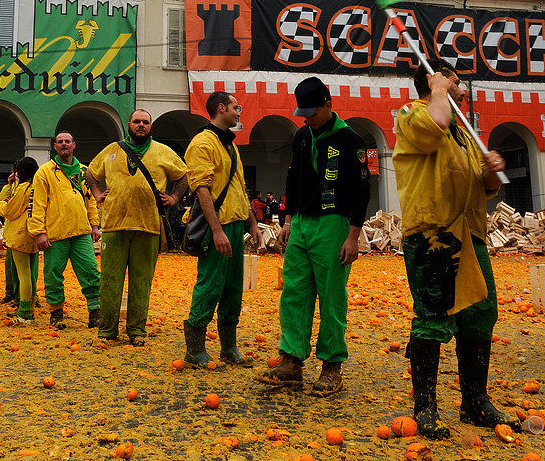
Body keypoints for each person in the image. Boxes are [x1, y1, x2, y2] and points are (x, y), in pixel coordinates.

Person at [390, 62, 516, 438]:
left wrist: (493, 168)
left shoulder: (463, 135)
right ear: (437, 82)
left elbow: (484, 184)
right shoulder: (411, 114)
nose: (462, 90)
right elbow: (434, 127)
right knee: (434, 314)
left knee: (481, 313)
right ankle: (425, 405)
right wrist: (439, 89)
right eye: (456, 83)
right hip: (434, 234)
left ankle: (475, 401)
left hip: (470, 234)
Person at [258, 77, 370, 396]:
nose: (307, 118)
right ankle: (292, 361)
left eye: (313, 112)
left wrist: (353, 235)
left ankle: (332, 366)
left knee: (332, 296)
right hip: (302, 224)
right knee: (294, 291)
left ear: (328, 104)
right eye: (303, 112)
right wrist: (287, 220)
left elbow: (363, 189)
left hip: (334, 224)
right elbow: (293, 177)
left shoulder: (351, 139)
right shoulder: (302, 136)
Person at [86, 109, 188, 345]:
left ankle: (137, 330)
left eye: (145, 122)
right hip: (113, 224)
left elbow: (183, 176)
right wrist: (97, 193)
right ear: (128, 124)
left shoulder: (163, 152)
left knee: (141, 282)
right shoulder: (112, 149)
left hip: (149, 225)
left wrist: (173, 198)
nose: (141, 125)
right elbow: (91, 173)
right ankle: (107, 330)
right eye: (137, 122)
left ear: (151, 126)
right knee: (110, 281)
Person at [182, 91, 261, 368]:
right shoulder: (202, 143)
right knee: (210, 284)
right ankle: (195, 349)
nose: (239, 112)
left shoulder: (230, 146)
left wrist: (252, 223)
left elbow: (239, 186)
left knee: (232, 288)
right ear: (220, 108)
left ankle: (229, 347)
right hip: (218, 226)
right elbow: (201, 189)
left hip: (236, 224)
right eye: (235, 107)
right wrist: (216, 231)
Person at [31, 132, 102, 329]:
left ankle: (95, 312)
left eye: (67, 142)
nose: (64, 144)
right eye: (60, 142)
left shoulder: (84, 171)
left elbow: (91, 200)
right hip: (55, 234)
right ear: (54, 146)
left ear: (74, 145)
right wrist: (39, 232)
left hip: (81, 232)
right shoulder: (44, 172)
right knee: (53, 274)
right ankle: (56, 314)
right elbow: (37, 204)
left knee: (90, 271)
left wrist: (94, 225)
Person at [0, 157, 41, 322]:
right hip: (34, 233)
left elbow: (10, 211)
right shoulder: (38, 187)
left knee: (23, 274)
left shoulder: (23, 188)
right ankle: (30, 306)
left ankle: (24, 312)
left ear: (21, 172)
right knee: (31, 274)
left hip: (19, 234)